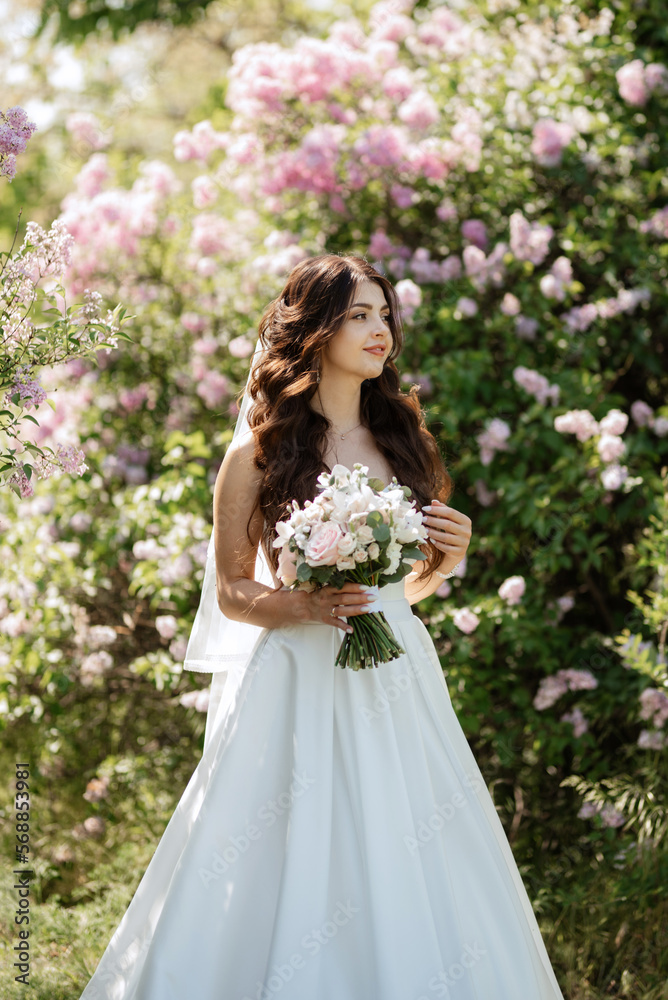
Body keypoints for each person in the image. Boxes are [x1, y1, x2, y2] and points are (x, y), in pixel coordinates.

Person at [78, 253, 565, 999]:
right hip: (295, 678)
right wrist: (303, 604)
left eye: (385, 315)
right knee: (281, 844)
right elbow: (235, 592)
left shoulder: (406, 440)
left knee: (411, 836)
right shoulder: (260, 452)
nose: (381, 331)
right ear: (316, 329)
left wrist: (450, 556)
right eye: (360, 315)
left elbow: (409, 587)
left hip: (397, 673)